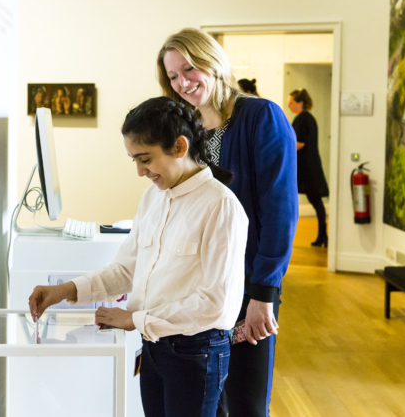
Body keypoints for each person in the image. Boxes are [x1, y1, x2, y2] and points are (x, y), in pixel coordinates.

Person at [29, 97, 249, 417]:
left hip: (195, 354)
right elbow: (125, 270)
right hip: (154, 348)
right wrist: (63, 292)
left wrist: (132, 319)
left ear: (179, 145)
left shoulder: (221, 207)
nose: (139, 171)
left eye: (145, 159)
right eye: (133, 159)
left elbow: (217, 304)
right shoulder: (153, 198)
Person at [157, 28, 298, 417]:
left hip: (246, 286)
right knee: (208, 400)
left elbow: (279, 212)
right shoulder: (185, 131)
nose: (183, 82)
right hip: (197, 289)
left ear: (212, 61)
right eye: (173, 76)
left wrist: (263, 295)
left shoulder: (260, 117)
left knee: (246, 404)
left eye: (189, 68)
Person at [288, 89, 329, 247]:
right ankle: (322, 235)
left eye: (291, 103)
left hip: (307, 168)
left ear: (300, 103)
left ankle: (322, 235)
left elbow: (299, 143)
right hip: (309, 165)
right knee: (316, 200)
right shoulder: (307, 118)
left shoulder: (303, 119)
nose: (289, 106)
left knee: (315, 200)